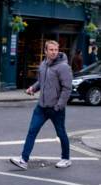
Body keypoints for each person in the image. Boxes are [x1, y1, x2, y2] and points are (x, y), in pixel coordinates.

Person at [10, 40, 73, 170]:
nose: (54, 52)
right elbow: (41, 82)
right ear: (45, 51)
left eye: (56, 50)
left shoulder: (63, 67)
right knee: (32, 131)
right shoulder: (44, 64)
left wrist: (59, 106)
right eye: (51, 50)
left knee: (61, 133)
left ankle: (66, 158)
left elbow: (67, 89)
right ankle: (23, 160)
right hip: (41, 107)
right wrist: (33, 89)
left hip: (56, 108)